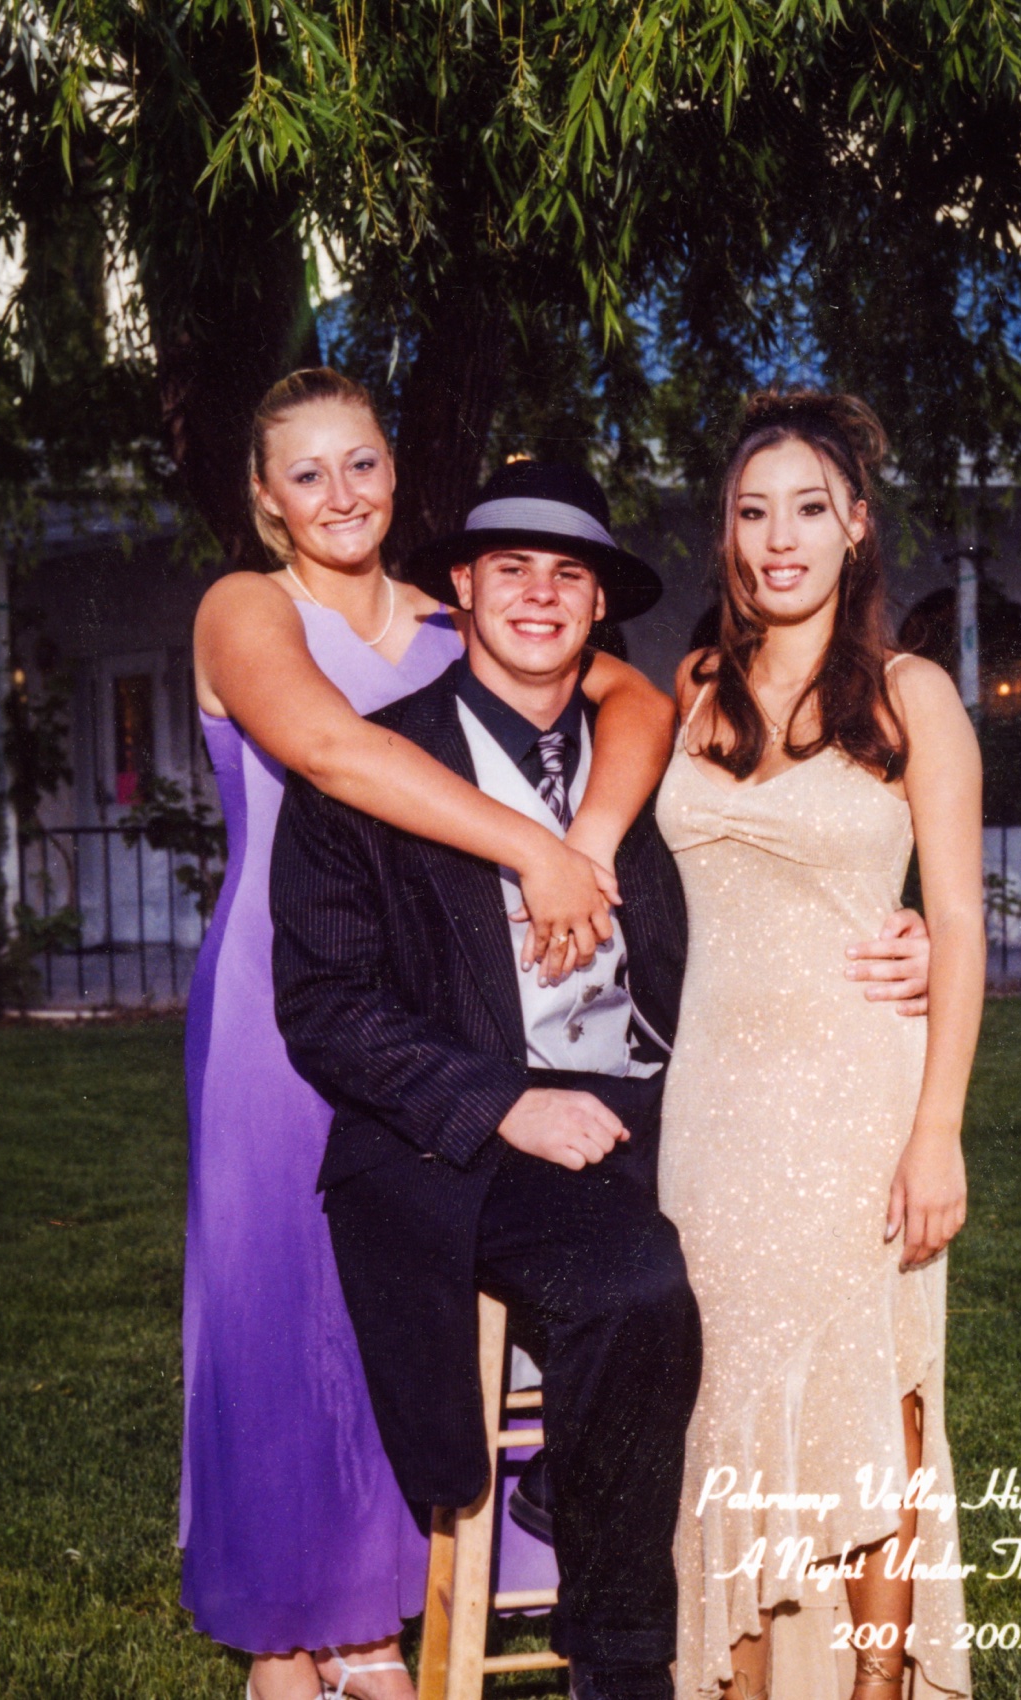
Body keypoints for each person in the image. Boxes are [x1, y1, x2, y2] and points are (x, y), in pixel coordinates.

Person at [184, 371, 677, 1700]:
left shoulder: (451, 615)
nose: (340, 493)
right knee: (282, 1308)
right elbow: (332, 752)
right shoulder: (245, 608)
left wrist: (589, 837)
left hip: (434, 1001)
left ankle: (372, 1624)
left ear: (396, 473)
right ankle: (281, 1637)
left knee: (396, 1304)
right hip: (281, 1002)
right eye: (306, 472)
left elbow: (638, 702)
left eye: (362, 463)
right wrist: (534, 848)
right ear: (264, 496)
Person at [655, 391, 984, 1700]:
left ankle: (874, 1687)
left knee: (870, 1396)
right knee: (725, 1397)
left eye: (808, 508)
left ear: (856, 524)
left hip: (857, 1103)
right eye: (753, 512)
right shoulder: (692, 687)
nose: (779, 538)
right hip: (713, 1111)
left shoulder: (913, 696)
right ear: (727, 533)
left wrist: (938, 1133)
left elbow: (959, 922)